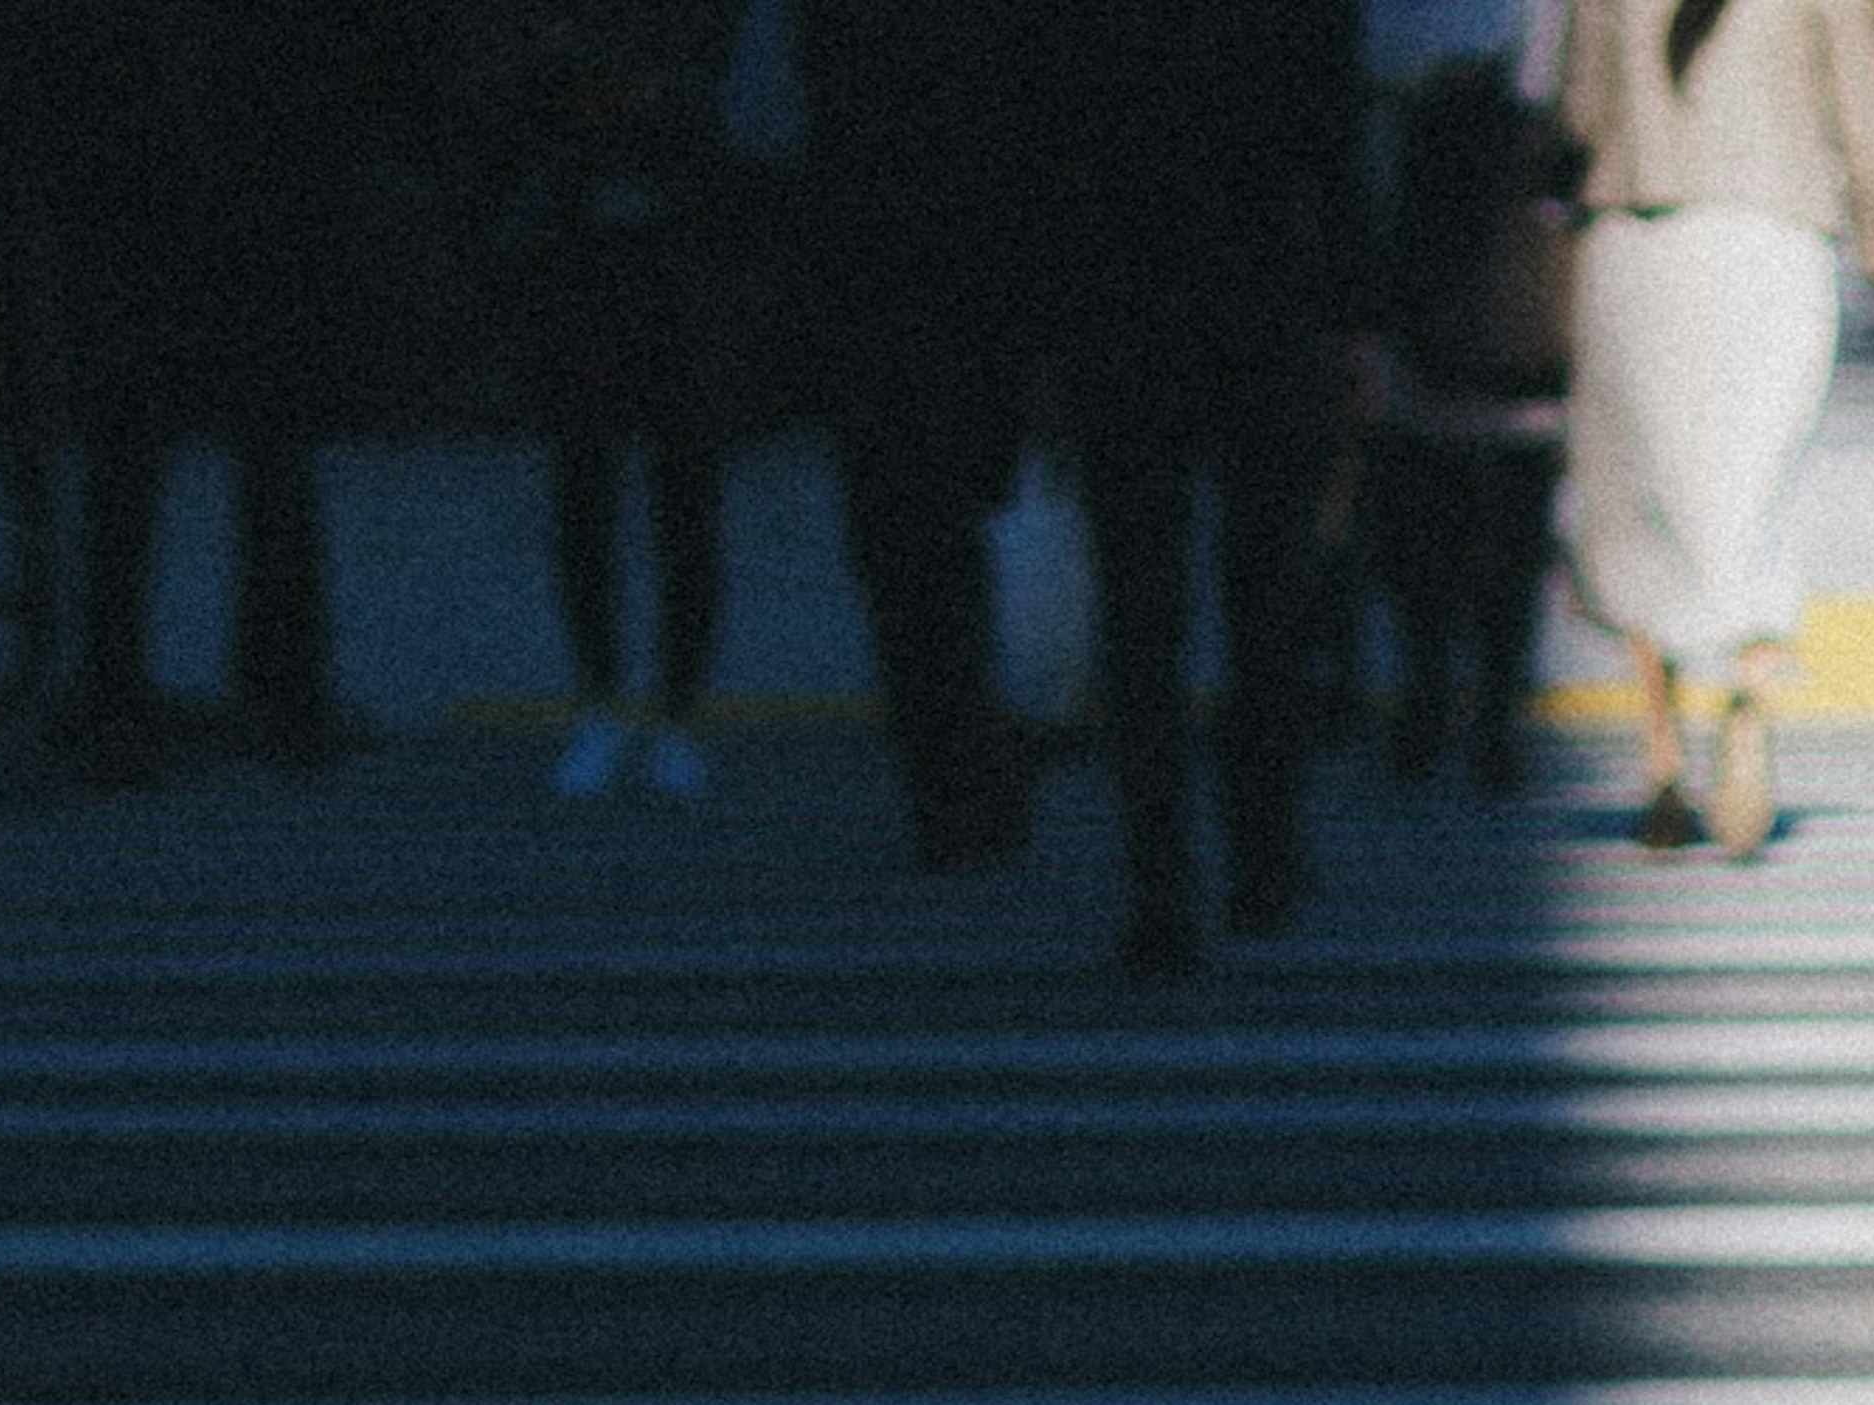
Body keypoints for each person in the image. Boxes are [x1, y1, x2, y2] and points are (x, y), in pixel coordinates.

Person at [795, 0, 1376, 970]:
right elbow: (1332, 137)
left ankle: (1165, 879)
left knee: (1142, 613)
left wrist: (1038, 343)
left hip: (1126, 309)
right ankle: (1262, 850)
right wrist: (1356, 318)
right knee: (1263, 595)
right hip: (1261, 299)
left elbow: (1040, 161)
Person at [26, 0, 426, 785]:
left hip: (169, 217)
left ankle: (153, 700)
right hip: (219, 212)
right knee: (247, 463)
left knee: (156, 468)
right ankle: (264, 698)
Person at [1559, 0, 1874, 855]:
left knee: (1642, 508)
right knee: (1752, 492)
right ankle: (1749, 699)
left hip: (1640, 228)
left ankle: (1662, 757)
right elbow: (1866, 113)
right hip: (1775, 235)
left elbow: (1577, 111)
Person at [469, 1, 754, 797]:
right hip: (588, 283)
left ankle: (670, 711)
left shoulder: (677, 63)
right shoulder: (565, 67)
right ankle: (611, 704)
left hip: (670, 281)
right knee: (593, 502)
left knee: (679, 505)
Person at [1371, 48, 1575, 789]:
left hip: (1436, 317)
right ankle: (1495, 714)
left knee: (1425, 533)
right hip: (1523, 318)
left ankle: (1429, 698)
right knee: (1515, 544)